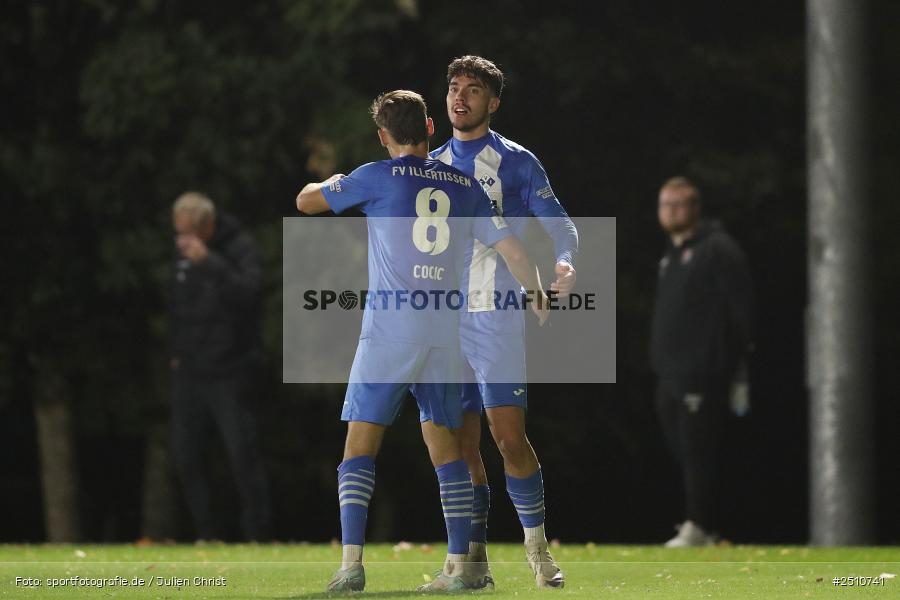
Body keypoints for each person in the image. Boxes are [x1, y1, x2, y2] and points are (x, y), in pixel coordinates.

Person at [296, 90, 550, 592]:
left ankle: (351, 566)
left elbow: (306, 201)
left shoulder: (373, 175)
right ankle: (460, 569)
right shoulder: (462, 184)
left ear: (383, 136)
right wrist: (535, 291)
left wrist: (330, 180)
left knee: (359, 448)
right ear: (431, 128)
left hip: (389, 332)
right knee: (448, 450)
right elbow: (510, 246)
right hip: (443, 334)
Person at [429, 55, 577, 589]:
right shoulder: (431, 162)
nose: (459, 97)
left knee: (507, 436)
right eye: (453, 88)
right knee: (461, 443)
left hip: (496, 314)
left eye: (472, 89)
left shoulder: (515, 161)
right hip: (444, 319)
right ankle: (475, 564)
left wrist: (564, 263)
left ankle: (538, 550)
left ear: (493, 101)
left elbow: (560, 225)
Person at [650, 176, 753, 547]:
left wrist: (735, 365)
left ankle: (700, 525)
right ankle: (704, 522)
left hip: (703, 370)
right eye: (665, 204)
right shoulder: (671, 253)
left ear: (695, 209)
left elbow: (741, 311)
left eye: (679, 204)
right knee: (683, 448)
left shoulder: (718, 249)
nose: (671, 211)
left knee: (698, 449)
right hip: (670, 371)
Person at [168, 192, 271, 542]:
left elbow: (250, 293)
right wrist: (175, 351)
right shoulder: (180, 253)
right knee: (185, 456)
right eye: (179, 234)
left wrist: (210, 262)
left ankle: (257, 533)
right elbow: (175, 305)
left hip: (230, 369)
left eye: (190, 233)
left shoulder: (238, 248)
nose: (183, 241)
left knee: (242, 455)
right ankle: (206, 533)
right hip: (190, 370)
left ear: (207, 227)